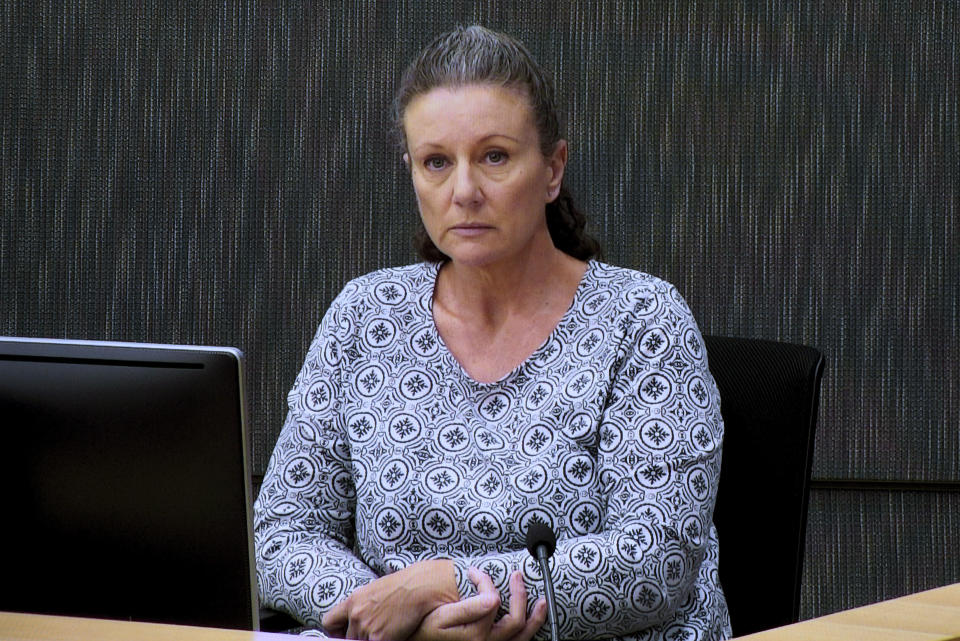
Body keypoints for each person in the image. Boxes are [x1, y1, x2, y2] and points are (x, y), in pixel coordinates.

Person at [255, 25, 731, 641]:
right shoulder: (364, 314)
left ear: (553, 169)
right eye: (436, 162)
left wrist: (443, 586)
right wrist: (398, 619)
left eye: (495, 156)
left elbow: (655, 562)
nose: (464, 192)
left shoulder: (643, 320)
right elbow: (284, 531)